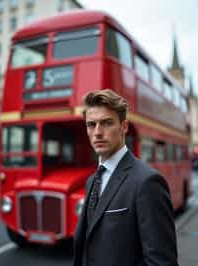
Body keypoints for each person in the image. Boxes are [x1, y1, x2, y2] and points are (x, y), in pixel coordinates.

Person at [73, 89, 178, 266]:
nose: (98, 132)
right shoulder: (91, 181)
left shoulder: (147, 182)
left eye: (106, 123)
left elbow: (162, 261)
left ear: (124, 126)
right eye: (91, 124)